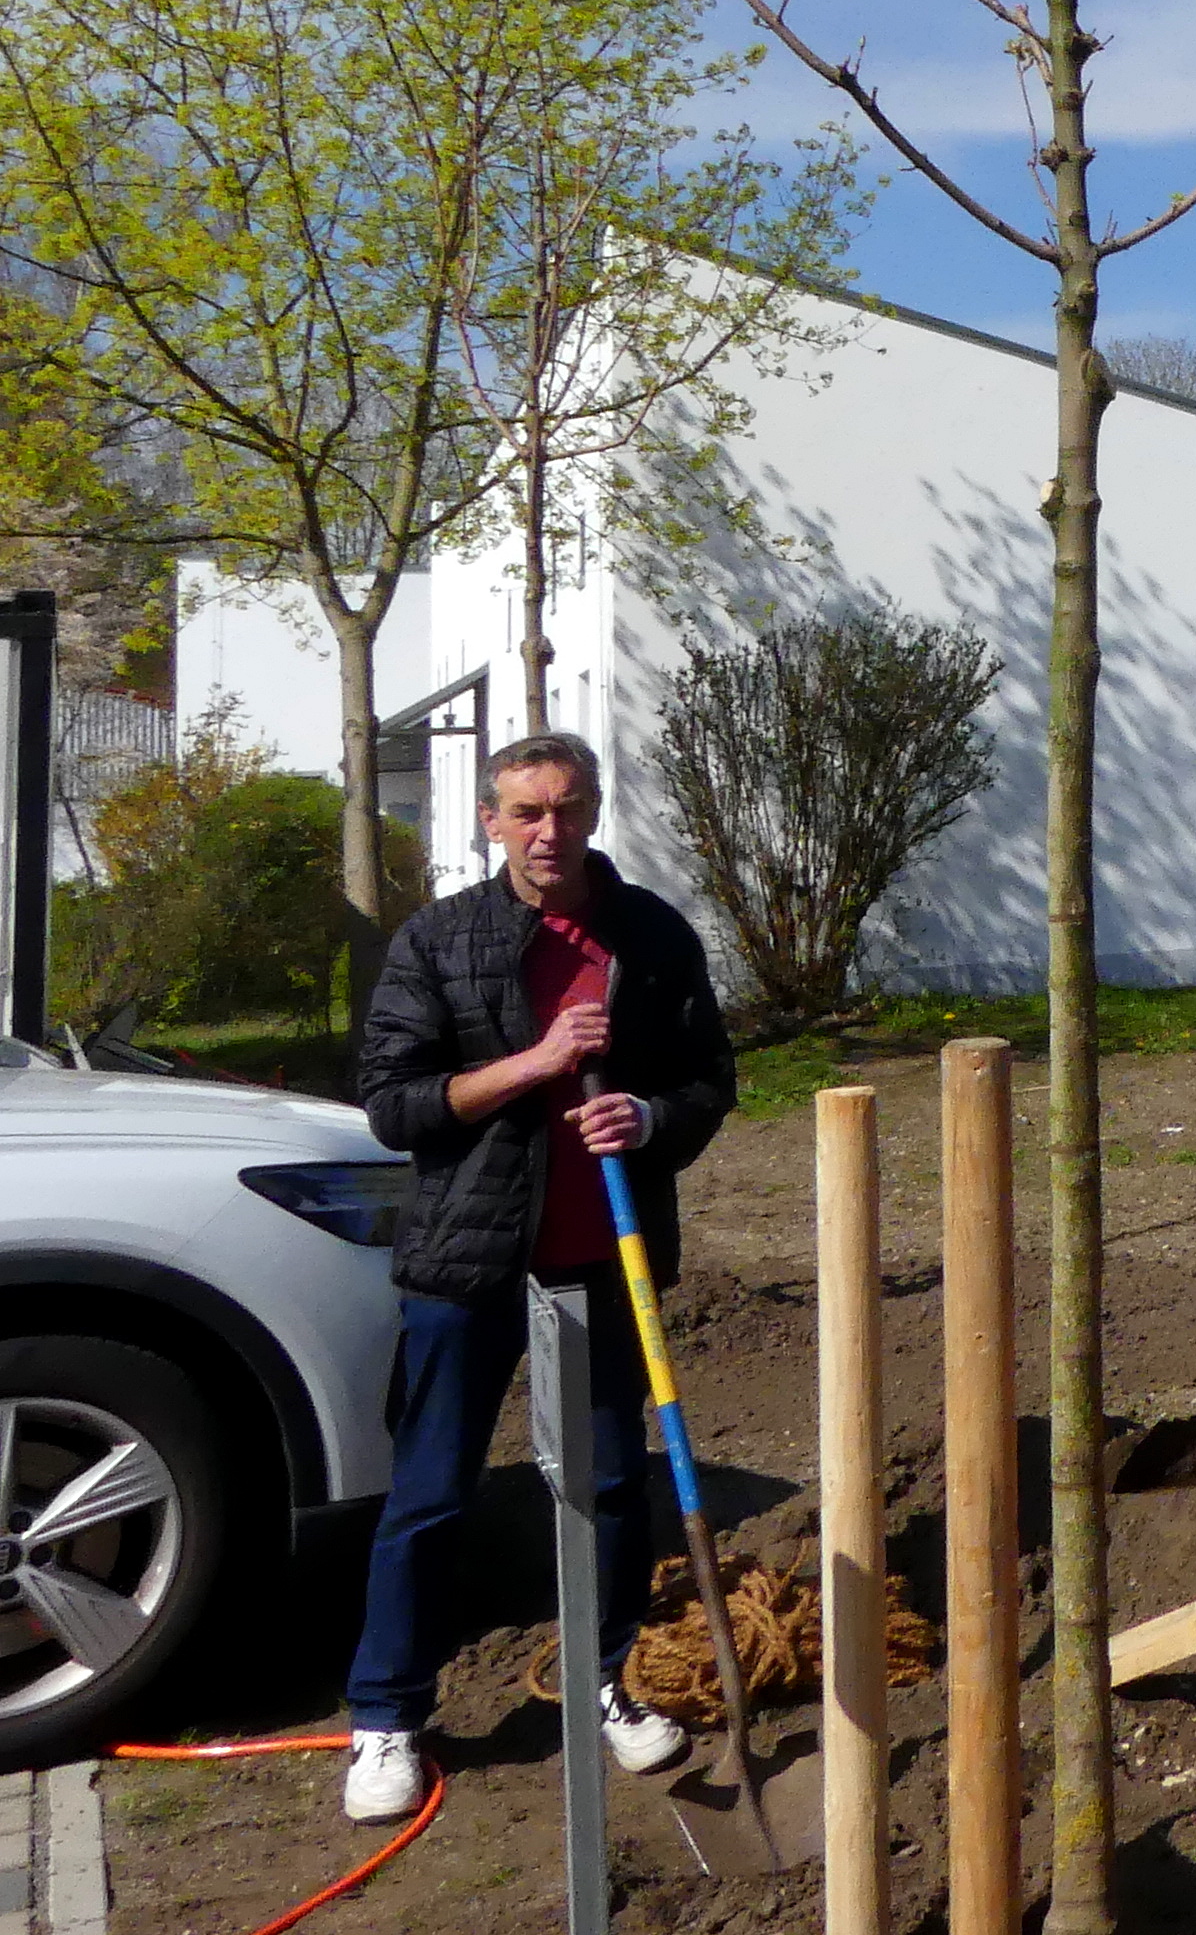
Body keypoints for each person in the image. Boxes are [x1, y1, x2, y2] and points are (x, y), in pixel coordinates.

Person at [342, 730, 738, 1825]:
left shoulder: (651, 936)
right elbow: (394, 1105)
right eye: (525, 812)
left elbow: (710, 1080)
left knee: (612, 1484)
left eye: (567, 808)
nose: (548, 831)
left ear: (595, 810)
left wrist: (649, 1117)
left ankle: (608, 1682)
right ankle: (384, 1715)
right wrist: (538, 1063)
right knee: (429, 1494)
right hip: (468, 1263)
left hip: (605, 1261)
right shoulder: (442, 940)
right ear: (490, 821)